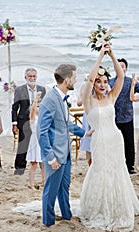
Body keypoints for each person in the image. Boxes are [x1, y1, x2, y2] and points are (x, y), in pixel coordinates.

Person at [79, 44, 139, 231]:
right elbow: (90, 78)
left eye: (105, 81)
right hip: (100, 141)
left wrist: (112, 55)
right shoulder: (88, 101)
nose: (102, 84)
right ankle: (99, 207)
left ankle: (118, 206)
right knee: (100, 170)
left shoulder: (111, 96)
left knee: (117, 171)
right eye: (99, 82)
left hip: (115, 139)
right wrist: (100, 56)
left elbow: (121, 77)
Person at [37, 64, 85, 228]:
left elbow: (65, 123)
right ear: (66, 80)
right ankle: (48, 222)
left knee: (64, 187)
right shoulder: (49, 100)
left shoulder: (62, 98)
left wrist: (84, 133)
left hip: (66, 152)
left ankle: (66, 215)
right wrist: (50, 158)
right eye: (74, 77)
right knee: (51, 190)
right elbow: (41, 133)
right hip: (55, 155)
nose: (76, 79)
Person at [109, 58, 139, 174]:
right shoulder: (110, 82)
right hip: (113, 117)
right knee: (114, 143)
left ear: (126, 69)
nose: (120, 68)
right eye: (118, 66)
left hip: (127, 116)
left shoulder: (131, 81)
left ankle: (130, 166)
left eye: (122, 66)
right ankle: (115, 164)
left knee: (129, 142)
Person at [12, 68, 46, 175]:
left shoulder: (42, 89)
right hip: (24, 121)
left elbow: (45, 107)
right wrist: (14, 123)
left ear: (36, 77)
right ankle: (19, 169)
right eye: (30, 76)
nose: (32, 78)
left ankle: (42, 167)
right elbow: (14, 108)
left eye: (34, 76)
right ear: (25, 77)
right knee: (23, 145)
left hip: (37, 121)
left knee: (39, 144)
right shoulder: (19, 90)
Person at [26, 91, 45, 190]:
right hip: (35, 140)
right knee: (34, 163)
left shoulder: (42, 118)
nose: (39, 108)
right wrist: (36, 99)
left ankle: (44, 181)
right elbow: (33, 110)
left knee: (44, 162)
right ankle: (31, 184)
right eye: (38, 106)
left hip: (42, 140)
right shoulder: (33, 118)